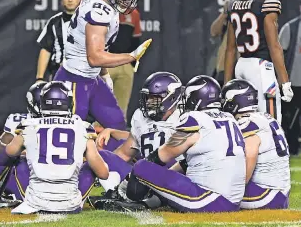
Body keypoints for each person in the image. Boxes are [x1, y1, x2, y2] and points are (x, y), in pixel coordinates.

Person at [54, 0, 152, 151]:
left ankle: (110, 171)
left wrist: (105, 75)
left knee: (116, 127)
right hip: (74, 80)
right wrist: (131, 56)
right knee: (70, 136)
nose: (128, 2)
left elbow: (100, 48)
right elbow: (95, 57)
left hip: (90, 78)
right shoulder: (99, 13)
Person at [121, 76, 246, 212]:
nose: (184, 102)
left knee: (142, 167)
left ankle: (131, 201)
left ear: (195, 99)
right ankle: (150, 202)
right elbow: (185, 163)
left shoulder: (195, 119)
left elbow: (162, 155)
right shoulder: (230, 119)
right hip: (233, 201)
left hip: (206, 199)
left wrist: (138, 180)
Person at [2, 81, 109, 214]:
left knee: (18, 160)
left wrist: (29, 150)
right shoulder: (82, 126)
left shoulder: (29, 124)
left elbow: (9, 152)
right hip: (70, 204)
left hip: (36, 202)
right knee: (90, 166)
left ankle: (23, 197)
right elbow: (103, 173)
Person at [91, 72, 184, 210]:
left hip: (174, 176)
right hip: (144, 177)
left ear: (171, 98)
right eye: (147, 98)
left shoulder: (185, 118)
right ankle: (120, 193)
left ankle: (142, 199)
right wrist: (96, 163)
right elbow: (125, 153)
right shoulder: (140, 116)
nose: (148, 102)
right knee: (104, 156)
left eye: (154, 98)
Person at [224, 0, 293, 123]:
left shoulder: (234, 5)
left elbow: (230, 49)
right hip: (261, 68)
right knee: (271, 122)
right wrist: (285, 82)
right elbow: (274, 46)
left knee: (244, 120)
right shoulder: (267, 3)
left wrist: (226, 84)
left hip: (240, 66)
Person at [222, 79, 290, 209]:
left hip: (265, 194)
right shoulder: (265, 117)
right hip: (278, 193)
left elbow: (250, 155)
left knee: (212, 186)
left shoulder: (248, 123)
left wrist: (234, 192)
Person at [36, 0, 82, 82]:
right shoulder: (54, 22)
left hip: (83, 75)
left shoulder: (88, 20)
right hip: (58, 75)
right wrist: (39, 78)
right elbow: (46, 49)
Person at [107, 8, 143, 121]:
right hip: (107, 61)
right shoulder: (105, 11)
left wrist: (131, 63)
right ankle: (97, 135)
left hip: (125, 64)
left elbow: (136, 40)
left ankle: (119, 135)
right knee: (101, 103)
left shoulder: (134, 14)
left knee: (121, 107)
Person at [210, 0, 245, 86]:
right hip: (225, 66)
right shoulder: (230, 14)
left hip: (246, 67)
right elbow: (214, 32)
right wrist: (225, 13)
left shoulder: (254, 16)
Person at [278, 6, 301, 155]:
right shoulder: (290, 28)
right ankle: (292, 149)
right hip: (294, 82)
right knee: (290, 119)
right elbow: (279, 55)